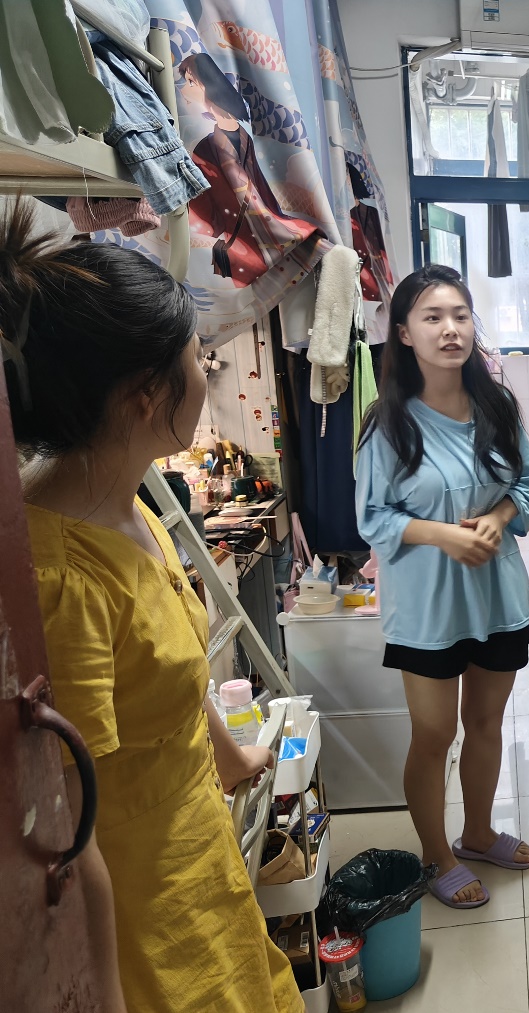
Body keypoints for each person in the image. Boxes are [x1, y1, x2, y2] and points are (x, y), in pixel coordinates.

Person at [3, 199, 302, 1013]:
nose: (206, 370)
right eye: (197, 356)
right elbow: (72, 827)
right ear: (144, 395)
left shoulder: (128, 502)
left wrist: (230, 756)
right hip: (146, 910)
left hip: (198, 849)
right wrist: (105, 994)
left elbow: (168, 670)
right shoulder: (63, 579)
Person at [357, 264, 529, 909]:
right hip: (427, 608)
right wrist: (442, 534)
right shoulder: (389, 423)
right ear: (405, 333)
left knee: (485, 721)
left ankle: (478, 832)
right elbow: (373, 517)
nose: (450, 329)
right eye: (432, 317)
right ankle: (437, 855)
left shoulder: (497, 409)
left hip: (496, 598)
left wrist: (497, 517)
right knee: (434, 734)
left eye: (460, 315)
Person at [178, 53, 322, 286]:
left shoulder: (214, 145)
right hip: (241, 236)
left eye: (191, 82)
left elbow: (254, 187)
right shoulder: (225, 139)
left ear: (209, 85)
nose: (184, 90)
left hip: (246, 236)